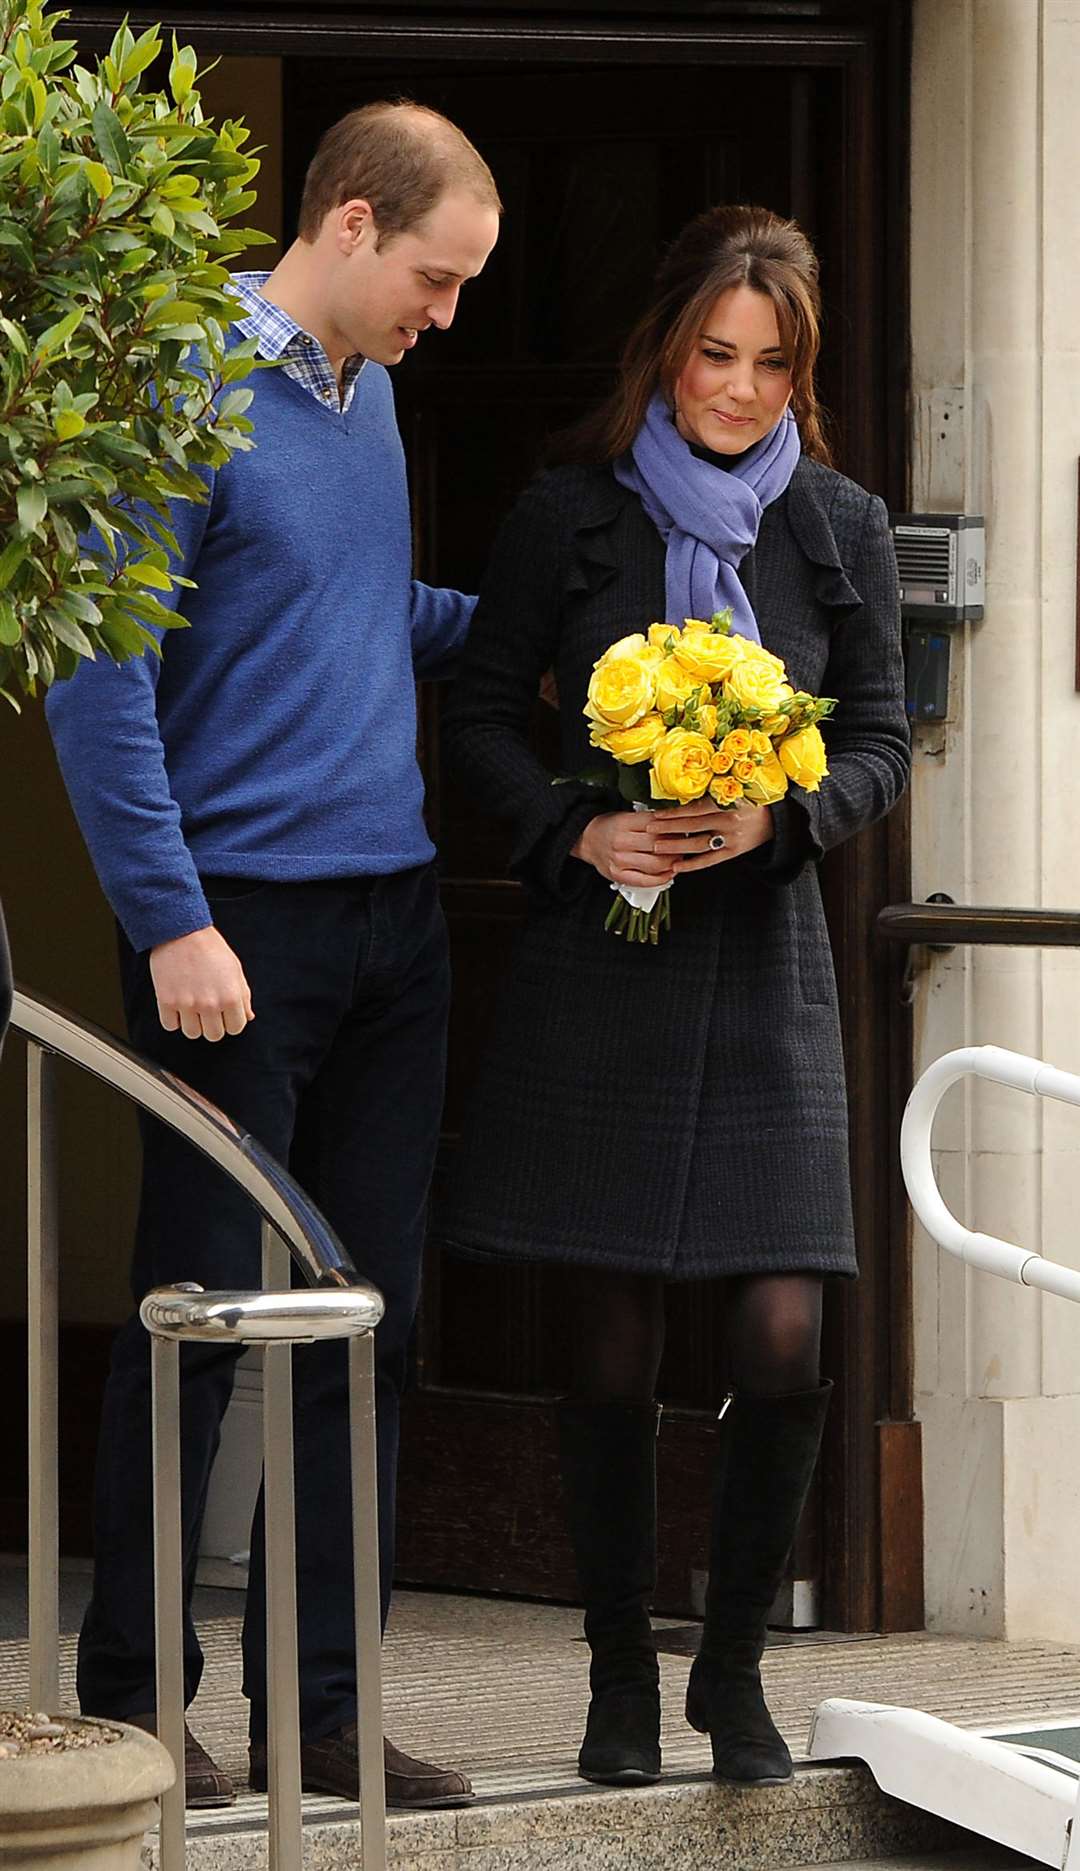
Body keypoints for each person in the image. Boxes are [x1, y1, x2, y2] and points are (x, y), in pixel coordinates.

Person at [45, 100, 501, 1812]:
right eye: (439, 280)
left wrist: (537, 628)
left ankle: (325, 1719)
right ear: (356, 224)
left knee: (358, 1333)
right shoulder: (177, 382)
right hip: (236, 932)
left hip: (395, 917)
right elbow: (99, 679)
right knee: (197, 1324)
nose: (444, 319)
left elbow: (351, 614)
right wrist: (169, 920)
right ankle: (139, 1711)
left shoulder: (366, 397)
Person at [440, 204, 910, 1791]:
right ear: (668, 347)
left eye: (773, 365)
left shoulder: (840, 525)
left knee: (783, 1336)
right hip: (605, 970)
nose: (740, 389)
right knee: (609, 1355)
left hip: (764, 970)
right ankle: (617, 1682)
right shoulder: (567, 517)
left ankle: (731, 1672)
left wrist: (794, 811)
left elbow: (886, 745)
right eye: (718, 355)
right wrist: (583, 825)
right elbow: (486, 721)